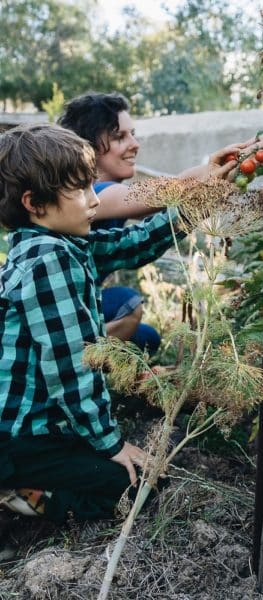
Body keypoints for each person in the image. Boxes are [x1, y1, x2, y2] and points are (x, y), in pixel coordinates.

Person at [0, 123, 189, 522]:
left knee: (140, 477)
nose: (93, 201)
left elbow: (132, 245)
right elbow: (70, 368)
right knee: (138, 487)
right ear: (35, 203)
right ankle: (24, 497)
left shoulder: (54, 244)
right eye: (80, 190)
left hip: (39, 432)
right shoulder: (48, 261)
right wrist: (110, 443)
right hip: (19, 441)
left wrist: (195, 204)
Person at [58, 92, 262, 355]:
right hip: (60, 310)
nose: (135, 144)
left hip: (79, 303)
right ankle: (73, 358)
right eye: (120, 137)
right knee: (125, 302)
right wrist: (229, 164)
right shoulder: (94, 196)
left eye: (133, 134)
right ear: (90, 148)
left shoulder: (103, 195)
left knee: (146, 340)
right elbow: (164, 191)